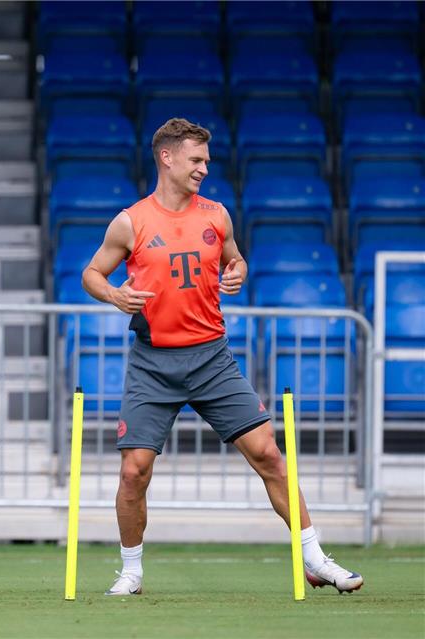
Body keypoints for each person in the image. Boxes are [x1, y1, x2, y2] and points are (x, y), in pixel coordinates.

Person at [81, 118, 364, 597]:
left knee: (270, 456)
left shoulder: (217, 215)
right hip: (153, 363)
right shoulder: (130, 221)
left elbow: (236, 258)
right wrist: (113, 295)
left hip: (213, 358)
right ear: (166, 158)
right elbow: (91, 272)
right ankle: (131, 572)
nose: (204, 169)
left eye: (207, 161)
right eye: (196, 160)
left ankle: (315, 558)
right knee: (134, 472)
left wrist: (237, 270)